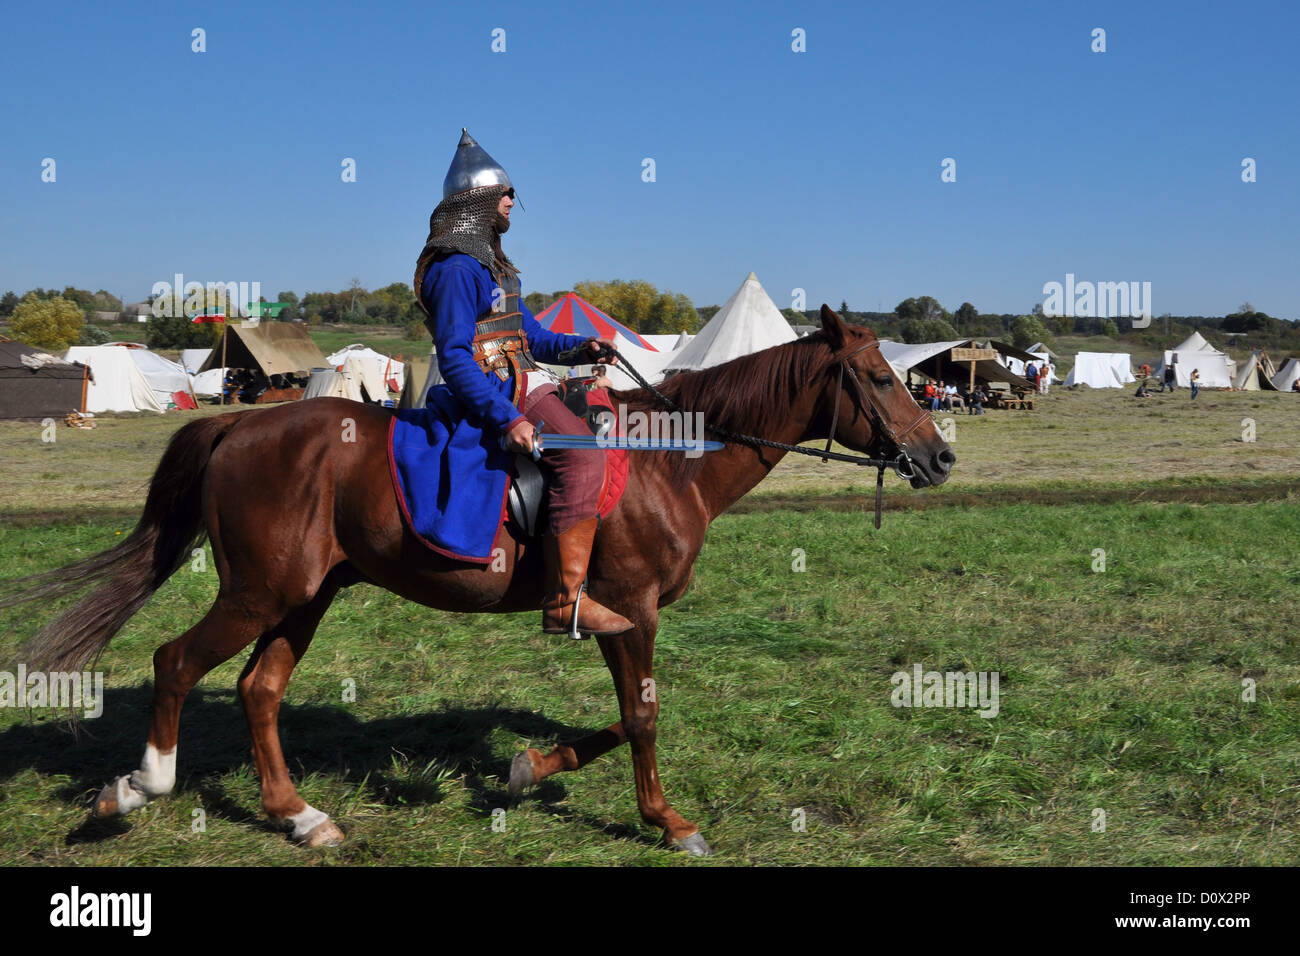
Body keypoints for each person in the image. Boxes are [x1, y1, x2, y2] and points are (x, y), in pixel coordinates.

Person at [413, 129, 633, 637]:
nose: (513, 201)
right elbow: (455, 357)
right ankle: (564, 601)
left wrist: (582, 346)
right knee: (581, 453)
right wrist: (505, 418)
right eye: (505, 194)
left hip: (524, 380)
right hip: (497, 393)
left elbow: (529, 336)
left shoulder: (497, 271)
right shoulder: (455, 270)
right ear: (478, 203)